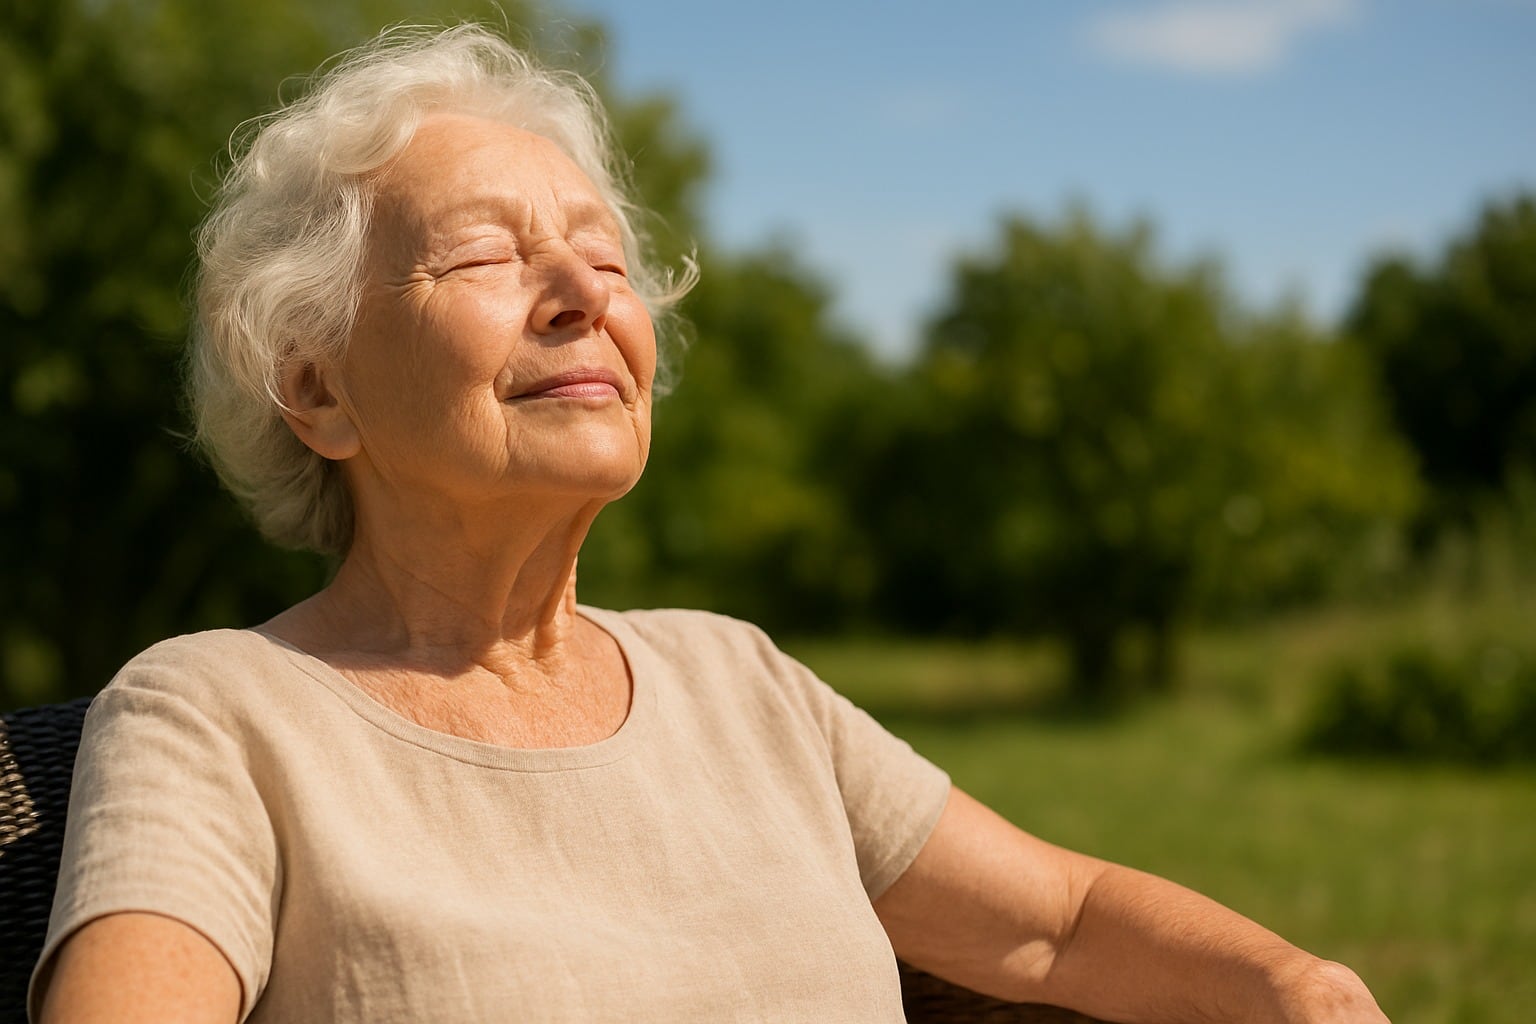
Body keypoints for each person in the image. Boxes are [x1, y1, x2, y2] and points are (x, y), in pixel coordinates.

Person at [31, 23, 1390, 1024]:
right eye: (488, 254)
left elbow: (1062, 927)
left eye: (605, 256)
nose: (583, 292)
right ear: (320, 390)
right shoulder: (217, 714)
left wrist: (1298, 985)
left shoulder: (741, 682)